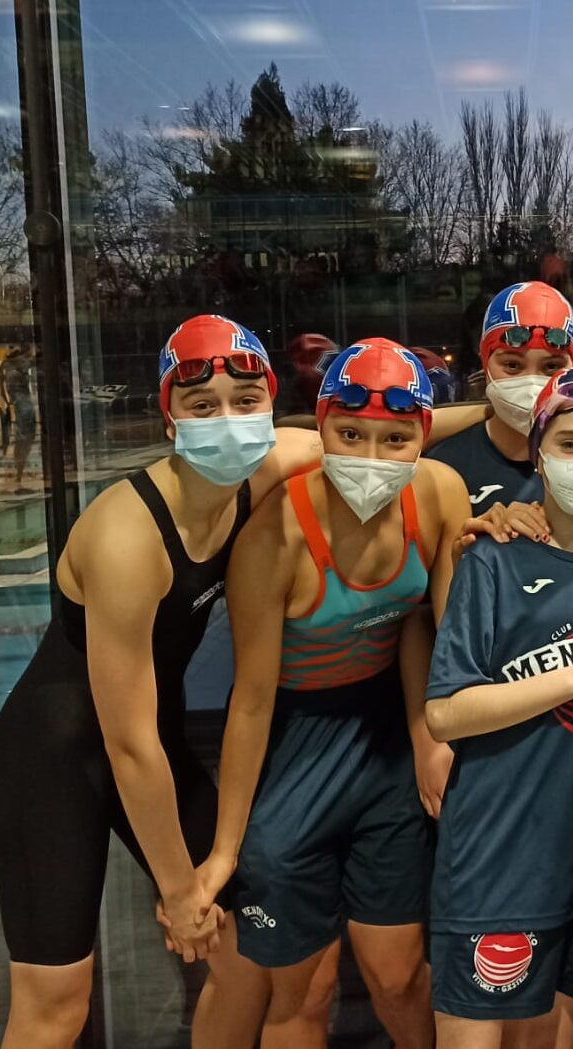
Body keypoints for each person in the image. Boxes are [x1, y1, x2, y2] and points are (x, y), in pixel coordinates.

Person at [0, 315, 321, 1049]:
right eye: (202, 406)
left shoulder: (262, 470)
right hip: (54, 763)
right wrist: (177, 889)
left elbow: (379, 432)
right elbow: (128, 746)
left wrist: (503, 411)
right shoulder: (126, 538)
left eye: (245, 401)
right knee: (55, 1005)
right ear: (170, 418)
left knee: (246, 950)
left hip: (152, 749)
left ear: (269, 405)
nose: (228, 420)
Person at [197, 339, 470, 1048]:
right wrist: (225, 849)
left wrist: (428, 736)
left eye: (395, 438)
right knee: (304, 990)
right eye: (350, 435)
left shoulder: (438, 493)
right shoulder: (274, 538)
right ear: (321, 428)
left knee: (399, 976)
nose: (371, 457)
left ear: (422, 435)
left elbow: (446, 640)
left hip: (384, 741)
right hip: (292, 745)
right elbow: (250, 702)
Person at [424, 367, 573, 1049]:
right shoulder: (492, 560)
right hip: (497, 853)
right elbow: (446, 712)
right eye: (571, 443)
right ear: (538, 452)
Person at [426, 280, 573, 511]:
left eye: (551, 367)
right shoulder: (443, 466)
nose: (531, 383)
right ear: (485, 364)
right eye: (512, 365)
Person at [0, 342, 38, 492]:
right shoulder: (17, 364)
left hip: (19, 404)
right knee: (24, 441)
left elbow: (2, 388)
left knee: (23, 441)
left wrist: (8, 401)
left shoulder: (7, 365)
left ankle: (19, 474)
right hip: (23, 406)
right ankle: (18, 475)